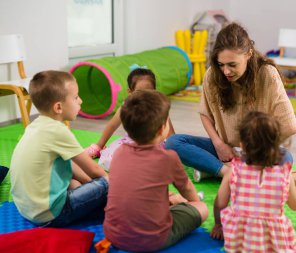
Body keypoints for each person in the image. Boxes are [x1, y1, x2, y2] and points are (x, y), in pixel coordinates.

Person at [165, 22, 296, 181]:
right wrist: (219, 145)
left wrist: (256, 150)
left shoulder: (267, 74)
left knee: (286, 158)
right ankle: (229, 173)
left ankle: (216, 170)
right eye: (221, 64)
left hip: (257, 151)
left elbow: (289, 126)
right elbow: (205, 114)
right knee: (174, 142)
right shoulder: (212, 74)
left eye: (232, 64)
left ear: (248, 54)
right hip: (225, 149)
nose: (226, 71)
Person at [103, 90, 208, 252]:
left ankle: (173, 203)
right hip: (152, 240)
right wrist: (195, 203)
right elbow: (187, 188)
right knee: (202, 209)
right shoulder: (168, 157)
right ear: (162, 129)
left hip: (113, 234)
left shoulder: (119, 152)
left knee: (165, 196)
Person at [10, 70, 108, 227]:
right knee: (108, 183)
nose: (80, 101)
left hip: (28, 210)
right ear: (58, 107)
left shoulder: (35, 125)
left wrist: (90, 186)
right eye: (76, 98)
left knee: (76, 181)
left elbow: (72, 164)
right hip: (51, 214)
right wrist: (106, 187)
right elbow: (95, 170)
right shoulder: (59, 131)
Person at [210, 111, 296, 252]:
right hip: (273, 243)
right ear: (276, 146)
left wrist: (218, 226)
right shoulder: (284, 175)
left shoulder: (234, 170)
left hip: (239, 241)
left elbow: (220, 203)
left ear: (242, 145)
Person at [85, 68, 175, 160]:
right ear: (130, 92)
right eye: (139, 92)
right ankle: (101, 150)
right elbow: (112, 125)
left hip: (156, 145)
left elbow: (171, 135)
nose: (144, 96)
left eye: (149, 92)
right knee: (118, 157)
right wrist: (99, 145)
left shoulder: (160, 107)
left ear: (155, 91)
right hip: (133, 145)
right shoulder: (127, 106)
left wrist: (172, 151)